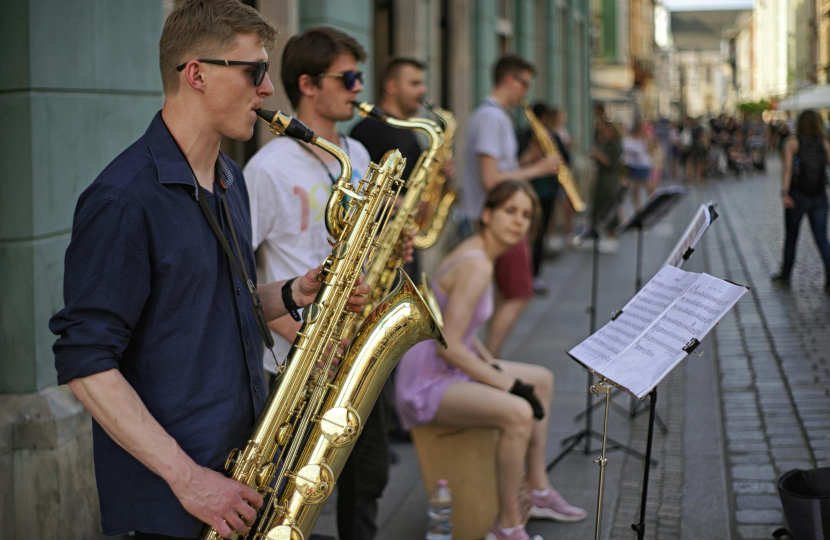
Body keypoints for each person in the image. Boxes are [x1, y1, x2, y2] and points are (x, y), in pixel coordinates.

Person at [48, 3, 370, 540]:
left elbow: (215, 305)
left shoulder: (229, 177)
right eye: (254, 71)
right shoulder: (123, 199)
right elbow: (85, 363)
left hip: (243, 471)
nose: (268, 89)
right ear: (196, 73)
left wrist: (296, 290)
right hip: (175, 505)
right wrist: (191, 480)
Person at [242, 27, 390, 540]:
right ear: (307, 84)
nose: (358, 88)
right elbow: (240, 271)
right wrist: (303, 340)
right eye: (348, 78)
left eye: (359, 77)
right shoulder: (267, 168)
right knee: (292, 496)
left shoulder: (357, 154)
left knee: (368, 478)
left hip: (351, 347)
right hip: (297, 356)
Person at [396, 181, 587, 540]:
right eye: (510, 211)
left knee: (542, 379)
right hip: (426, 381)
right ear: (487, 214)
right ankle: (509, 525)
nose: (518, 222)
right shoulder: (478, 265)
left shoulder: (481, 255)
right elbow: (447, 346)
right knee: (518, 412)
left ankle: (540, 491)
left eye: (526, 216)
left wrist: (493, 369)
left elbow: (463, 337)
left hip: (446, 366)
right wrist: (506, 384)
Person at [460, 54, 560, 357]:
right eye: (524, 84)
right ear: (508, 80)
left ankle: (483, 359)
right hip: (495, 221)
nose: (525, 93)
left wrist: (528, 159)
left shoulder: (494, 116)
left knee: (499, 294)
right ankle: (486, 360)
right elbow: (492, 180)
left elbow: (501, 168)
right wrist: (538, 169)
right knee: (518, 291)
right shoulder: (492, 117)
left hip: (494, 220)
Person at [772, 109, 830, 294]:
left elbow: (788, 168)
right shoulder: (824, 143)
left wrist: (784, 192)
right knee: (822, 238)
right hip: (819, 196)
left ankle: (785, 274)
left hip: (797, 195)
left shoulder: (792, 142)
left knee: (791, 236)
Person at [516, 103, 567, 293]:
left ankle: (534, 275)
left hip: (547, 193)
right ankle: (522, 276)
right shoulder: (522, 136)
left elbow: (564, 160)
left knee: (540, 235)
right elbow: (514, 165)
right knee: (523, 237)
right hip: (526, 193)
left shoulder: (553, 137)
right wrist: (531, 155)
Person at [590, 121, 623, 252]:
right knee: (598, 205)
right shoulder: (605, 143)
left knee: (610, 205)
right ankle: (596, 233)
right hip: (602, 177)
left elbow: (609, 161)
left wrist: (598, 155)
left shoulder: (616, 145)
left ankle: (611, 234)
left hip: (610, 179)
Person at [622, 121, 653, 209]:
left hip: (644, 165)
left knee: (649, 186)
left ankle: (650, 204)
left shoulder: (645, 139)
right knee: (636, 188)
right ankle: (637, 207)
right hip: (634, 165)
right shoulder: (630, 139)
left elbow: (651, 149)